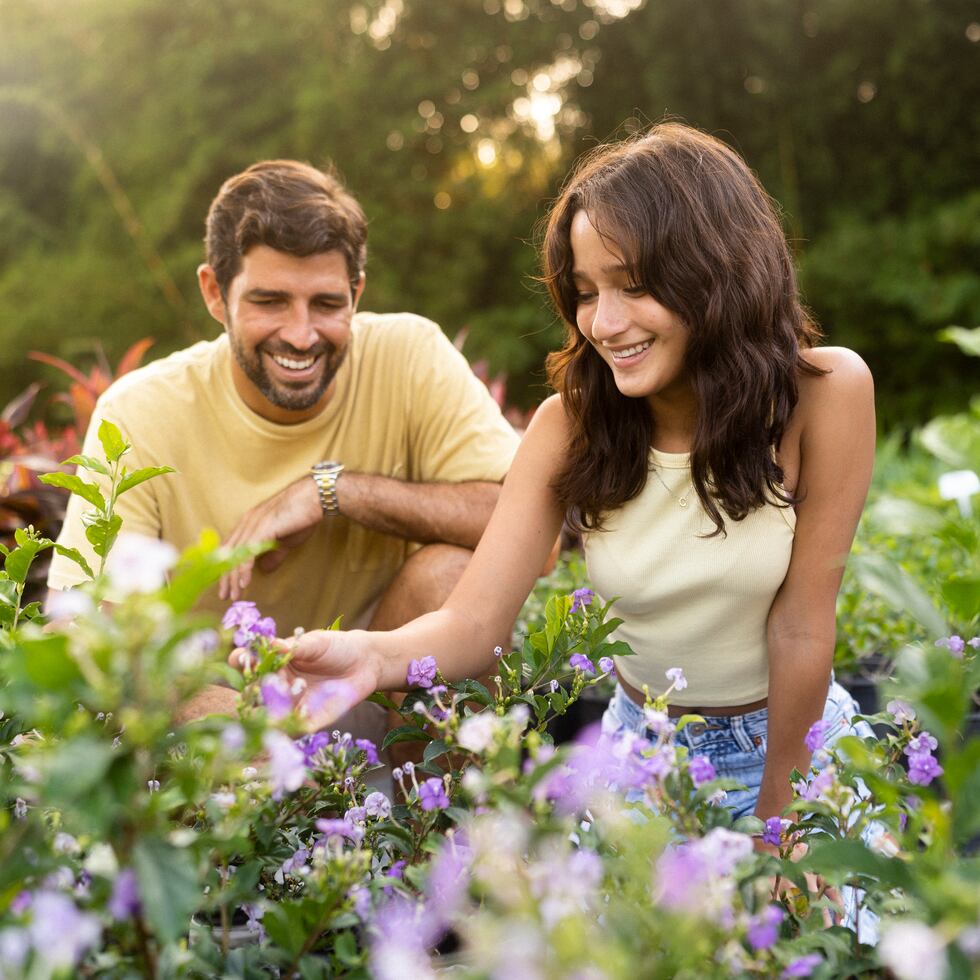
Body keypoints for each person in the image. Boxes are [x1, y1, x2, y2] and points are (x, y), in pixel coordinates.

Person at [244, 123, 877, 830]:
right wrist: (368, 657)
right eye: (584, 292)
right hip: (646, 759)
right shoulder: (568, 424)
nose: (604, 323)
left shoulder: (826, 395)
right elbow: (475, 620)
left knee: (820, 938)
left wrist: (782, 827)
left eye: (634, 286)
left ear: (716, 272)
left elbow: (800, 629)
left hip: (792, 752)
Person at [46, 159, 521, 732]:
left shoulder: (411, 355)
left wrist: (335, 490)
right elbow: (86, 631)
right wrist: (260, 724)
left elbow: (531, 538)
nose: (301, 335)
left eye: (326, 304)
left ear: (357, 293)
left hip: (383, 687)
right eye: (269, 301)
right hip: (218, 715)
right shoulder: (140, 412)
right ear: (214, 294)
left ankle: (438, 816)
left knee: (452, 573)